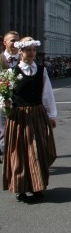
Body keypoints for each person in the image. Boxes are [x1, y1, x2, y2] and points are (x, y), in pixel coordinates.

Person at [1, 37, 57, 202]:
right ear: (21, 51)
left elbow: (47, 94)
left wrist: (51, 115)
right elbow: (4, 95)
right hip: (19, 116)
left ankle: (37, 185)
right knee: (20, 152)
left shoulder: (41, 70)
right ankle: (21, 187)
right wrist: (5, 103)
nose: (32, 53)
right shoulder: (12, 72)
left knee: (38, 149)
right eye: (28, 50)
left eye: (33, 50)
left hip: (37, 113)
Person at [0, 31, 21, 164]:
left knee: (20, 132)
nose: (15, 43)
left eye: (17, 41)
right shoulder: (0, 59)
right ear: (5, 43)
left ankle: (17, 157)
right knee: (3, 131)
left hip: (21, 103)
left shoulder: (24, 59)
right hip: (2, 103)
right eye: (12, 40)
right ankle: (7, 156)